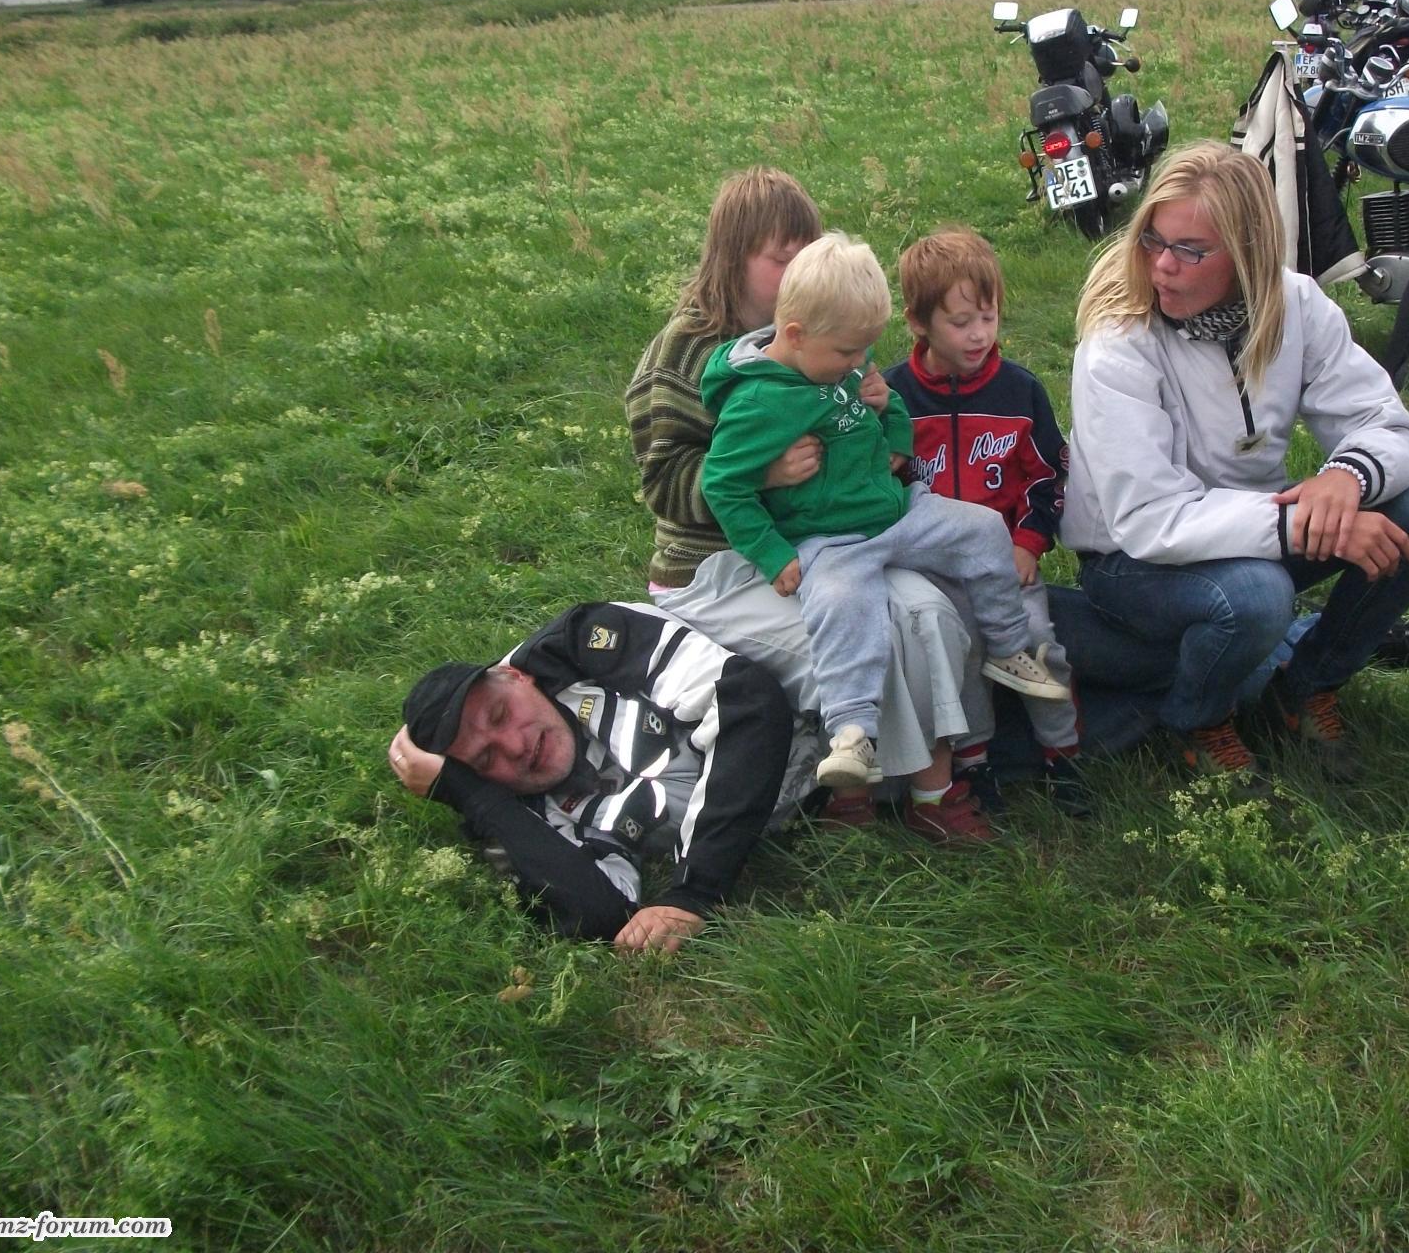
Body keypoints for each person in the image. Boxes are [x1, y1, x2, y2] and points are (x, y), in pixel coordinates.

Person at [1060, 141, 1409, 784]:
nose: (1163, 265)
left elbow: (1383, 421)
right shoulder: (1118, 342)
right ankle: (1196, 719)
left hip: (1252, 528)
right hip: (1131, 559)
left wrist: (1345, 477)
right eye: (1153, 241)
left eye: (1191, 250)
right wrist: (1305, 525)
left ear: (1248, 252)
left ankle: (1305, 687)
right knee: (1255, 595)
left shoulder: (1296, 304)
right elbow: (1149, 518)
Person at [624, 166, 993, 839]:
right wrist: (765, 476)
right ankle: (865, 792)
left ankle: (931, 782)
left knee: (928, 608)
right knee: (870, 628)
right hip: (719, 566)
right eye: (780, 257)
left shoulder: (825, 327)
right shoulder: (682, 355)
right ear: (733, 258)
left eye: (806, 252)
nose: (797, 268)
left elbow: (861, 428)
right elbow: (663, 486)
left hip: (830, 538)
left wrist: (880, 423)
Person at [699, 231, 1071, 835]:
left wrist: (891, 427)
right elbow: (722, 486)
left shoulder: (839, 357)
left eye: (865, 351)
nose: (859, 364)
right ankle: (852, 733)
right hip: (829, 541)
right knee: (845, 609)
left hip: (897, 512)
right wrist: (771, 553)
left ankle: (1008, 649)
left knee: (981, 530)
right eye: (849, 353)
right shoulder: (758, 403)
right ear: (795, 335)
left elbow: (891, 406)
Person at [386, 601, 793, 954]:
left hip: (812, 679)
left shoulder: (580, 644)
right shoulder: (521, 806)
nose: (515, 746)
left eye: (500, 714)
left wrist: (695, 890)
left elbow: (747, 700)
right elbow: (598, 912)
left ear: (515, 676)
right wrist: (477, 800)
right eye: (486, 757)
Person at [886, 227, 1089, 816]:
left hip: (1006, 564)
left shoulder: (1019, 391)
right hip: (933, 573)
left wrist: (1029, 541)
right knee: (960, 659)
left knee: (1040, 645)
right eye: (960, 322)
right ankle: (975, 764)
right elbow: (884, 492)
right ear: (918, 322)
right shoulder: (894, 399)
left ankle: (1063, 755)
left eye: (988, 316)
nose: (979, 334)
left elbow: (1049, 476)